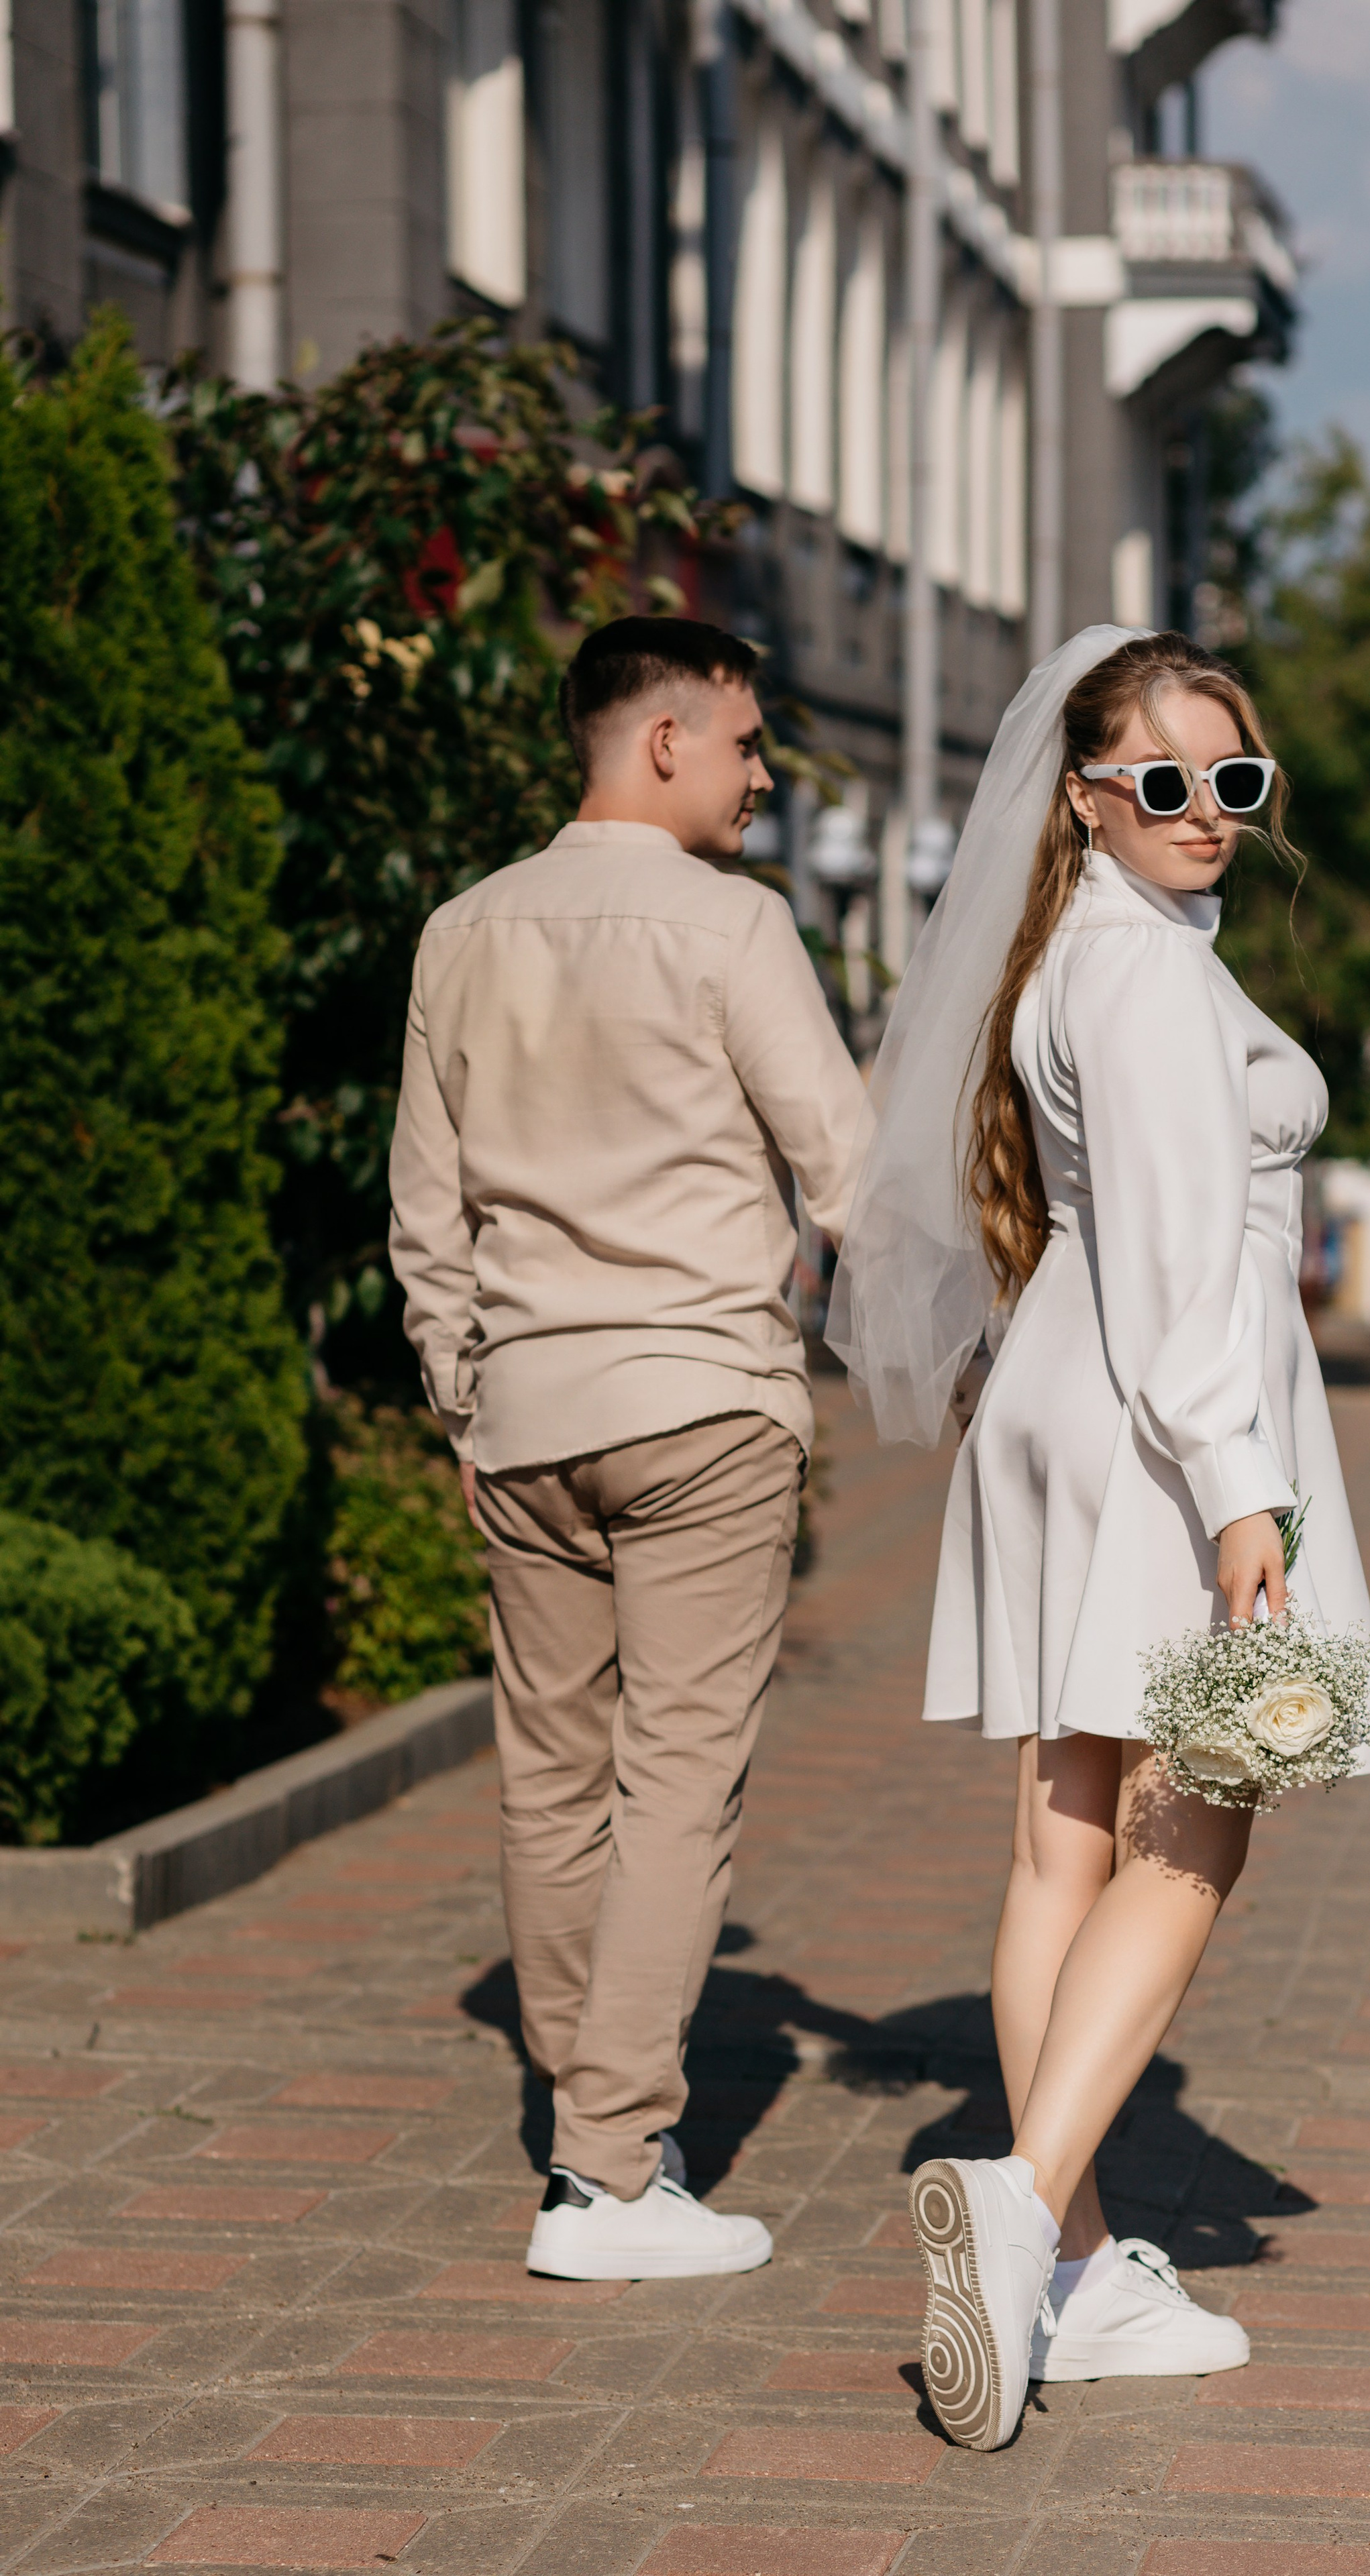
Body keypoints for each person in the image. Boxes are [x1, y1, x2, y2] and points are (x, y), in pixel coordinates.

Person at [829, 628, 1370, 2451]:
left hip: (1066, 1391)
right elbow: (1176, 1258)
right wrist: (1241, 1481)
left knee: (1066, 1834)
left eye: (1236, 783)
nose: (1207, 815)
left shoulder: (1078, 955)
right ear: (1087, 793)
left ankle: (1070, 2262)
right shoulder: (1145, 979)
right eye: (1165, 784)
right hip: (1171, 1409)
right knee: (1195, 1823)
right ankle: (1025, 2203)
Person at [389, 617, 870, 2280]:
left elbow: (421, 1206)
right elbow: (848, 1173)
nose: (758, 779)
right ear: (659, 739)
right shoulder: (734, 928)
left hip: (523, 1417)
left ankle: (590, 2123)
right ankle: (606, 2174)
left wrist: (463, 1398)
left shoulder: (460, 929)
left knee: (546, 1776)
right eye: (743, 745)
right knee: (676, 1782)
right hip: (698, 1406)